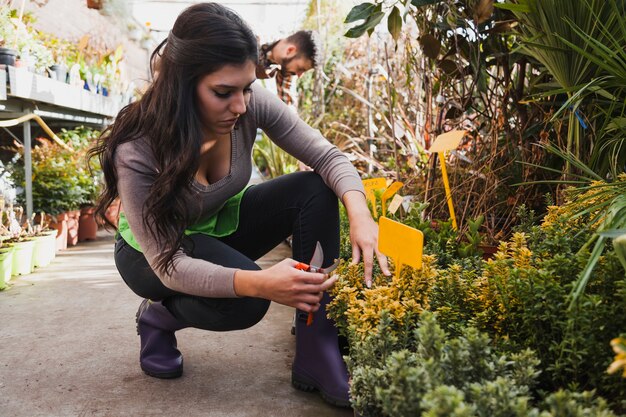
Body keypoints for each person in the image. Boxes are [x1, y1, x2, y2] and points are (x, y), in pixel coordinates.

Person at [90, 2, 389, 409]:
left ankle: (316, 348)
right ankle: (159, 316)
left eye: (246, 88)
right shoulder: (138, 148)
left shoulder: (247, 104)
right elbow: (169, 264)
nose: (241, 106)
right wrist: (260, 283)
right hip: (153, 256)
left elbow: (327, 156)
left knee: (314, 189)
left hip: (217, 228)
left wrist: (360, 213)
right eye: (223, 92)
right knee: (247, 300)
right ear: (182, 82)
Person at [256, 30, 318, 106]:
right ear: (290, 51)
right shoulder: (253, 40)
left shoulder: (286, 67)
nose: (299, 75)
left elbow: (287, 106)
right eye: (300, 69)